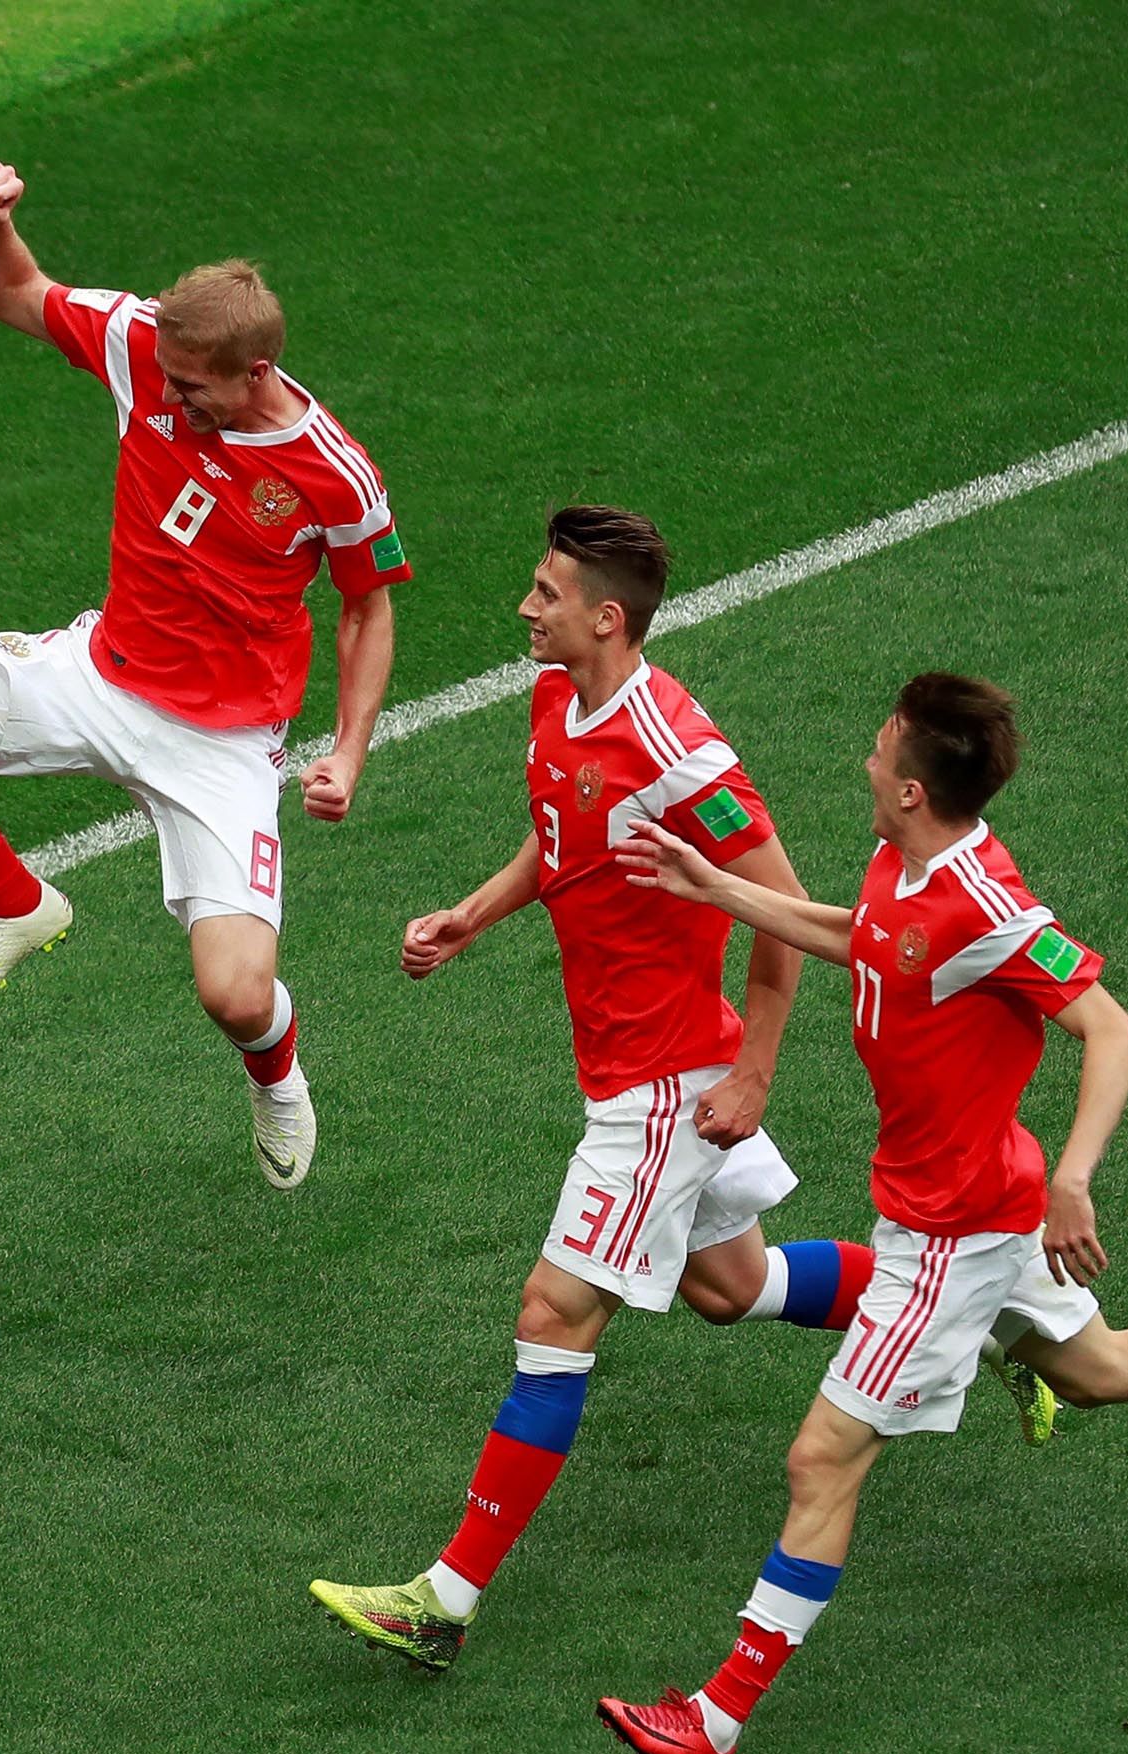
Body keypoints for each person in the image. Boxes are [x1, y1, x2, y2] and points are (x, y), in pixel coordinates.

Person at [594, 673, 1128, 1754]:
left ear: (908, 788)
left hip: (955, 1238)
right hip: (960, 1205)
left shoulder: (987, 907)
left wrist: (1076, 1181)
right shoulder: (905, 866)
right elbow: (868, 938)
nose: (862, 759)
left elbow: (1114, 1030)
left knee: (822, 1458)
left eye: (877, 747)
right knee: (1094, 1368)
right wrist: (717, 888)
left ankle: (715, 1719)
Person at [308, 509, 1020, 1677]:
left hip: (668, 1085)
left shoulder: (685, 754)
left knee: (554, 1310)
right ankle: (992, 1315)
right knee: (728, 1285)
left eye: (544, 594)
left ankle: (443, 1599)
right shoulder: (551, 698)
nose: (524, 610)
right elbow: (564, 842)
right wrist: (472, 918)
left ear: (603, 616)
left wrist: (753, 1072)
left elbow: (787, 915)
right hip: (625, 1063)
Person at [0, 158, 411, 1189]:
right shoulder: (144, 343)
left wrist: (350, 751)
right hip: (96, 672)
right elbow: (12, 292)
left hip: (221, 741)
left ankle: (277, 1080)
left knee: (238, 997)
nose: (174, 399)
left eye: (197, 391)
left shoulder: (333, 470)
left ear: (258, 370)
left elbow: (368, 606)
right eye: (171, 381)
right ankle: (15, 904)